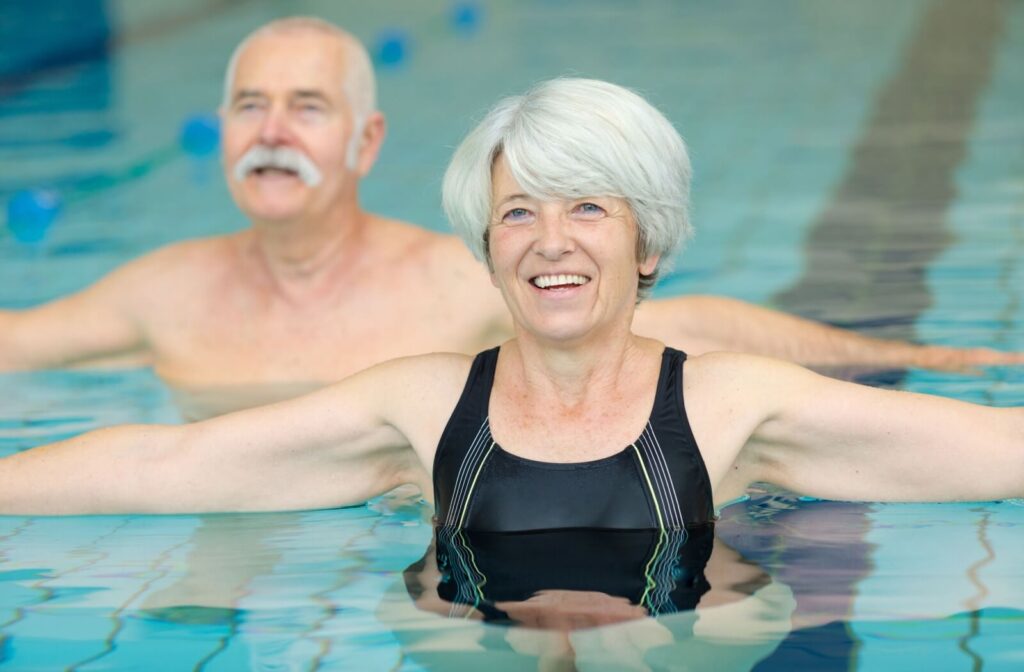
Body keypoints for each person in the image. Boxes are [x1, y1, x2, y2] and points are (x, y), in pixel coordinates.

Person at [1, 77, 1020, 522]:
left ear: (646, 242)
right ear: (487, 249)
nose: (551, 242)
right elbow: (164, 461)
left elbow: (995, 452)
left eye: (587, 207)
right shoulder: (417, 406)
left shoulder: (731, 405)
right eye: (518, 214)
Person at [0, 17, 1019, 421]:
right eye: (248, 108)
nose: (273, 133)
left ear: (365, 142)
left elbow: (698, 327)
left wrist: (914, 355)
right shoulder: (160, 289)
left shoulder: (461, 279)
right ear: (218, 134)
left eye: (307, 109)